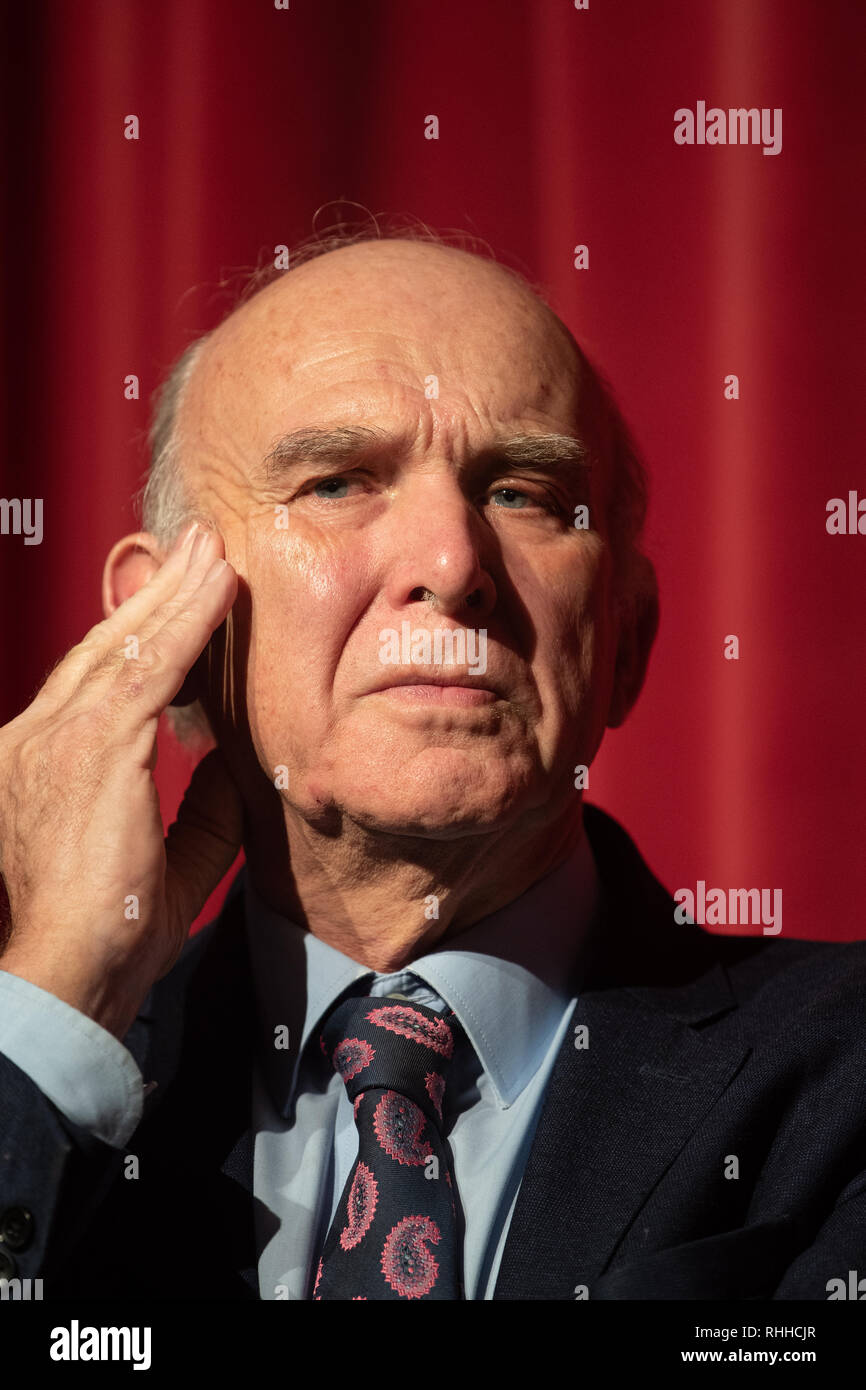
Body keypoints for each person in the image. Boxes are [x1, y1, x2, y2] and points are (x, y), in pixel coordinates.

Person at [0, 230, 863, 1301]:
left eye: (522, 494)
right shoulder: (47, 1081)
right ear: (158, 632)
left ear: (625, 638)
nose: (452, 565)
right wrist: (52, 1008)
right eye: (335, 482)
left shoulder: (842, 1077)